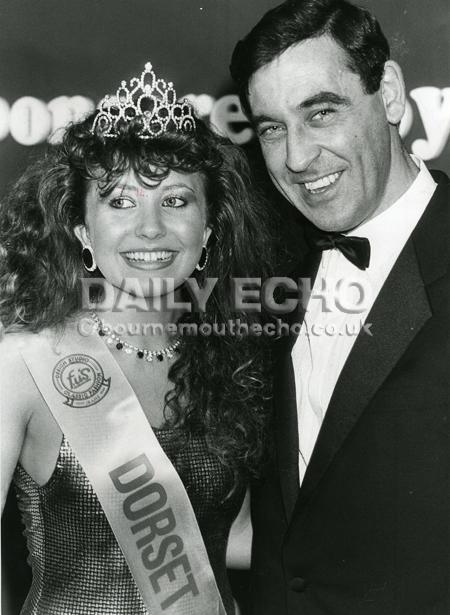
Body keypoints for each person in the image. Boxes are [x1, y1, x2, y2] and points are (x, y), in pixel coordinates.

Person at [0, 61, 272, 615]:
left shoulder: (232, 360)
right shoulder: (25, 363)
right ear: (83, 231)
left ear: (209, 228)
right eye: (120, 201)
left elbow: (236, 540)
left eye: (176, 200)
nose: (150, 228)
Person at [230, 1, 450, 613]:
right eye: (272, 128)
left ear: (390, 95)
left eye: (321, 112)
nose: (297, 158)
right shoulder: (270, 272)